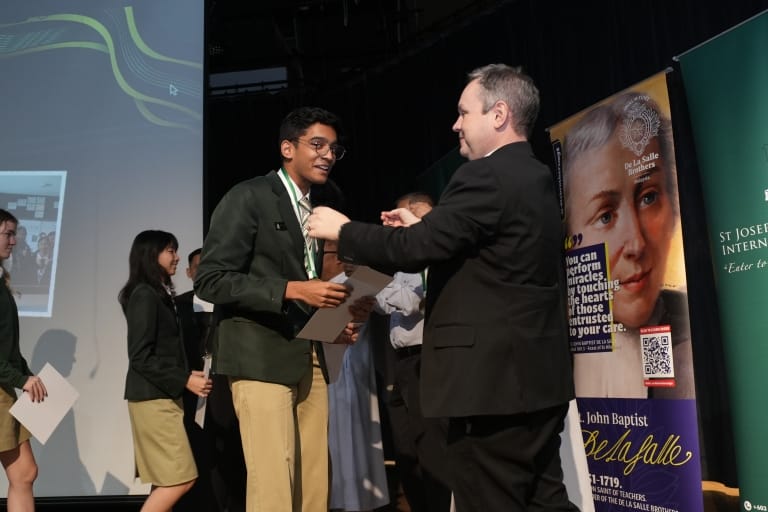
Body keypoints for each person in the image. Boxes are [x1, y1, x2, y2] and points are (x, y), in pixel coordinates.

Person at [308, 64, 577, 511]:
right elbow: (479, 250)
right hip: (536, 381)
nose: (455, 124)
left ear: (499, 114)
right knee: (544, 500)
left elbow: (414, 250)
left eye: (464, 112)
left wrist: (344, 230)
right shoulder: (534, 175)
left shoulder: (484, 176)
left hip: (491, 389)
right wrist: (423, 228)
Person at [194, 106, 363, 512]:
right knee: (274, 479)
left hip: (310, 355)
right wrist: (292, 289)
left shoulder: (315, 209)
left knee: (314, 479)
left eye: (334, 149)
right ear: (288, 148)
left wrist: (332, 324)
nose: (327, 155)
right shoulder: (249, 196)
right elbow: (210, 279)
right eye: (317, 145)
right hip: (259, 356)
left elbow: (307, 286)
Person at [562, 91, 694, 399]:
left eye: (649, 198)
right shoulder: (564, 353)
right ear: (570, 240)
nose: (636, 243)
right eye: (605, 216)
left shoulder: (694, 340)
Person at [119, 230, 212, 512]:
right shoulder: (144, 295)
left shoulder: (155, 293)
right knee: (180, 480)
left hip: (162, 396)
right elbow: (140, 357)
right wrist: (184, 378)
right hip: (153, 399)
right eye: (171, 251)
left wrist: (187, 375)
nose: (177, 257)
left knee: (167, 480)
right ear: (152, 255)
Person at [372, 192, 452, 512]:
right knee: (406, 450)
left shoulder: (434, 256)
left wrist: (376, 285)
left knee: (430, 446)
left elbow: (413, 302)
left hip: (427, 359)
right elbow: (384, 304)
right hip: (401, 363)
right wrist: (375, 292)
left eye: (399, 219)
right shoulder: (403, 263)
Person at [0, 208, 47, 512]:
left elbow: (6, 346)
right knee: (24, 472)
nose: (14, 241)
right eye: (8, 234)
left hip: (4, 386)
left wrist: (27, 376)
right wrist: (20, 378)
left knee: (24, 473)